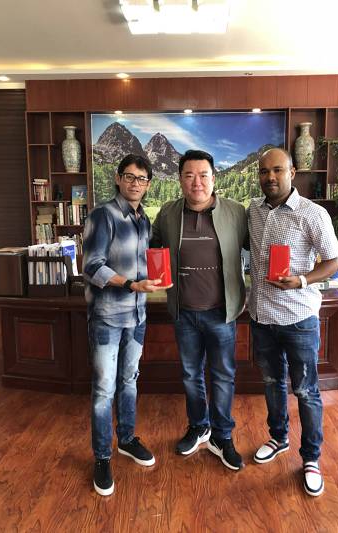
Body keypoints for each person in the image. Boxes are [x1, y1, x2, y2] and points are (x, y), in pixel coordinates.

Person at [248, 147, 338, 497]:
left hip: (299, 320)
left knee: (305, 391)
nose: (270, 177)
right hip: (261, 318)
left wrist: (302, 280)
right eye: (264, 172)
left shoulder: (313, 214)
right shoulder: (253, 211)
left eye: (277, 170)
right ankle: (279, 438)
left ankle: (311, 458)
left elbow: (334, 261)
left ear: (292, 172)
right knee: (272, 383)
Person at [151, 149, 248, 471]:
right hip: (185, 313)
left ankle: (222, 436)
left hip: (221, 312)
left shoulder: (236, 212)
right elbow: (150, 246)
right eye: (189, 175)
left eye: (203, 175)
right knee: (191, 375)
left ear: (213, 178)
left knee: (223, 376)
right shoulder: (168, 213)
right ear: (180, 180)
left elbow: (260, 246)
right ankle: (198, 426)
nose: (197, 182)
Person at [83, 154, 164, 496]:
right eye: (129, 176)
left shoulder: (143, 219)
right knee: (104, 389)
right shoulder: (103, 215)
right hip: (107, 317)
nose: (135, 183)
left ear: (148, 184)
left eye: (141, 178)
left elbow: (147, 263)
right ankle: (102, 457)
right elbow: (92, 266)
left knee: (130, 380)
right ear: (118, 179)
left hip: (137, 317)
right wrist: (131, 284)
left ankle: (127, 439)